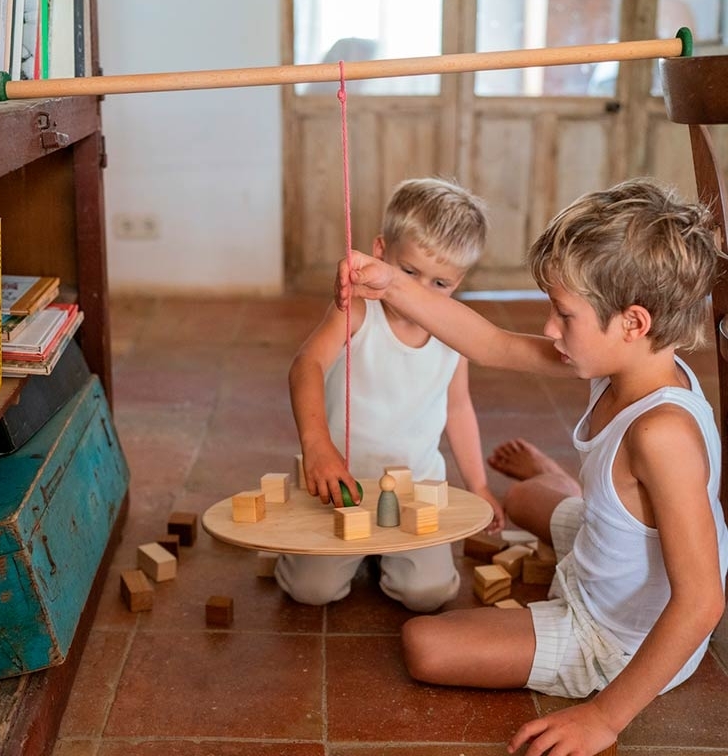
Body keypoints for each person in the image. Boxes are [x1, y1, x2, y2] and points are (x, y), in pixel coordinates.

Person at [335, 177, 728, 756]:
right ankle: (582, 496)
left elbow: (702, 601)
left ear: (633, 322)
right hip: (609, 558)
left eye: (563, 314)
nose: (549, 327)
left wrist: (604, 717)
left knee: (425, 644)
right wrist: (389, 282)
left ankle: (580, 503)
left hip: (618, 638)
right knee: (518, 501)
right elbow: (491, 344)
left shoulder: (662, 434)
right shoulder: (625, 360)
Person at [276, 177, 505, 613]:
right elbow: (306, 365)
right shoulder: (358, 310)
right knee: (312, 592)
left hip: (415, 488)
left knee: (429, 595)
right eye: (409, 272)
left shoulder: (456, 331)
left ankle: (383, 554)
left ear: (460, 281)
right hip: (340, 485)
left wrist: (478, 485)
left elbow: (458, 407)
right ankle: (310, 549)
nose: (419, 291)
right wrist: (317, 445)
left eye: (441, 283)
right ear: (380, 252)